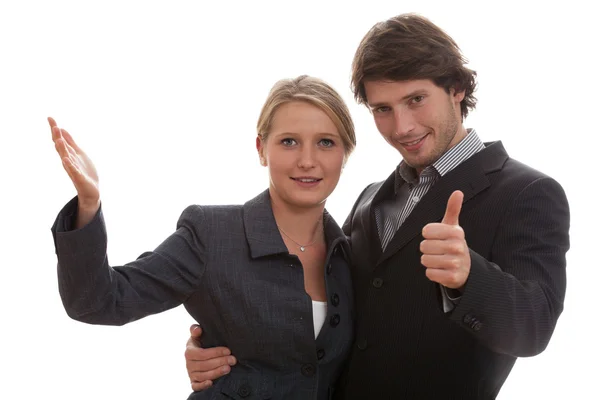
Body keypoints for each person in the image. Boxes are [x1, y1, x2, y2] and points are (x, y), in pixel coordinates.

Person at [183, 13, 570, 399]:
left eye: (415, 100)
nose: (401, 127)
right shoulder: (371, 198)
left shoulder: (528, 192)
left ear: (455, 87)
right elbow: (326, 306)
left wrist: (469, 278)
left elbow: (535, 326)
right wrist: (224, 348)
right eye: (382, 109)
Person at [49, 75, 357, 400]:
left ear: (345, 154)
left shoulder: (353, 255)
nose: (307, 160)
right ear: (261, 149)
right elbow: (96, 302)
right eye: (289, 141)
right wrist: (89, 204)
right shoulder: (212, 234)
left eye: (325, 142)